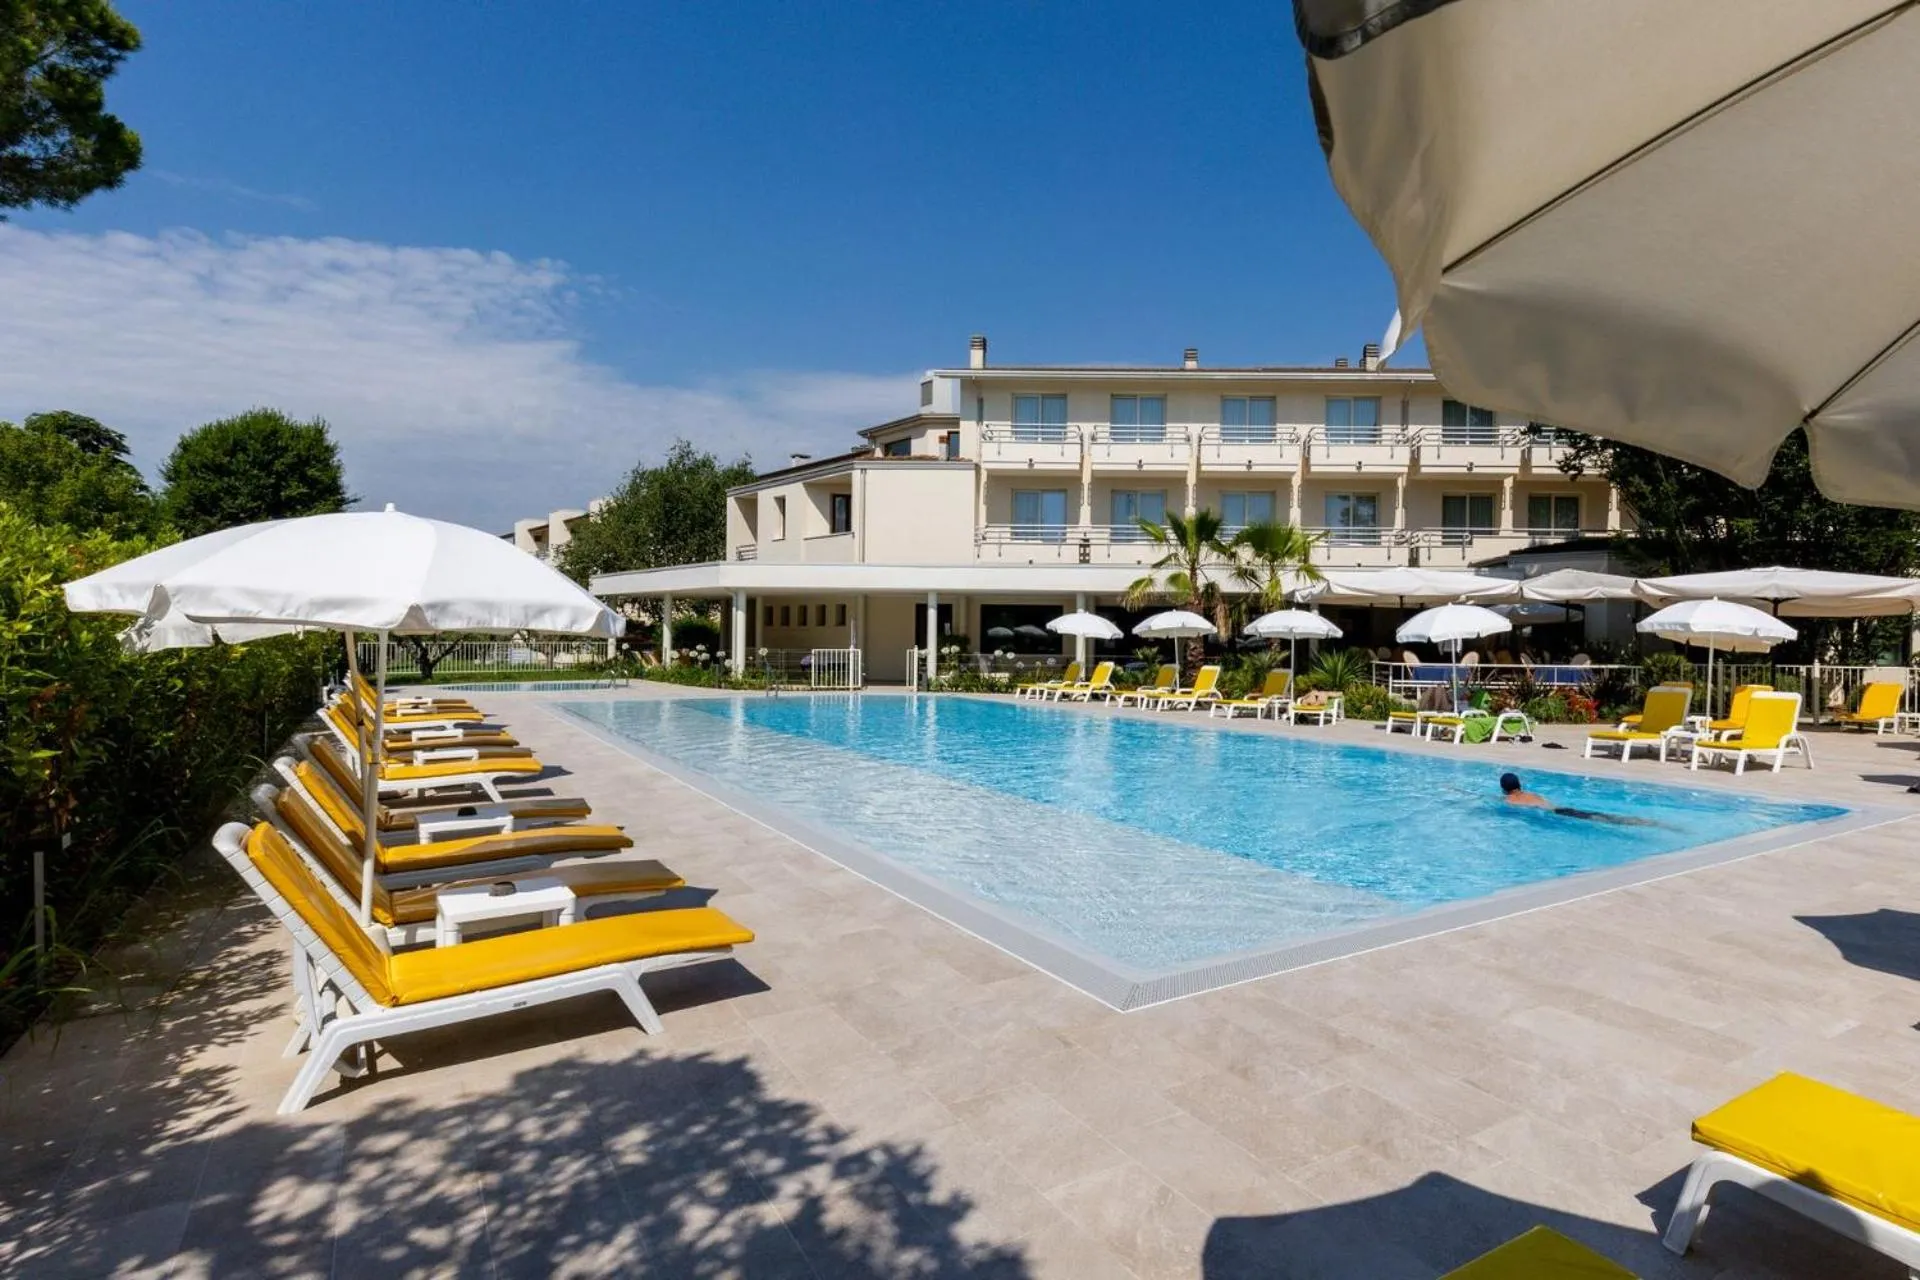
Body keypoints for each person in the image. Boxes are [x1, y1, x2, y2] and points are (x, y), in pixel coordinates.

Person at [1500, 772, 1654, 826]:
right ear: (1519, 784)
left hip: (1555, 815)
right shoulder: (1533, 794)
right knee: (1598, 816)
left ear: (1504, 788)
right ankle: (1639, 821)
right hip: (1561, 809)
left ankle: (1634, 822)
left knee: (1598, 819)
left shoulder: (1509, 801)